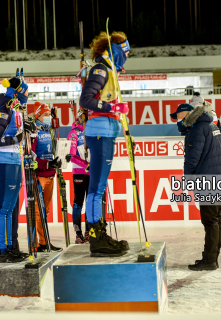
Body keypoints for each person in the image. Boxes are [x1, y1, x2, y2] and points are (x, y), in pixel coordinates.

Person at [79, 31, 130, 257]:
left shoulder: (110, 70)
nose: (128, 54)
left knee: (100, 187)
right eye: (125, 50)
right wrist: (113, 108)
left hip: (106, 133)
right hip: (99, 133)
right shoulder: (101, 69)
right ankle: (95, 237)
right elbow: (85, 99)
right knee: (96, 188)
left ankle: (99, 232)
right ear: (115, 49)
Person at [0, 76, 34, 263]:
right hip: (5, 161)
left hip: (16, 160)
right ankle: (1, 250)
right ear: (18, 93)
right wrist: (14, 140)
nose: (27, 96)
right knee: (3, 208)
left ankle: (9, 247)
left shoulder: (16, 111)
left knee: (10, 207)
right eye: (26, 92)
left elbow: (18, 135)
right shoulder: (3, 111)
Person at [182, 102, 221, 271]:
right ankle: (212, 256)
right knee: (216, 219)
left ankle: (210, 260)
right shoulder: (211, 125)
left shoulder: (197, 130)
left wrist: (187, 179)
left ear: (191, 116)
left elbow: (192, 158)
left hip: (208, 180)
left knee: (210, 221)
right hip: (219, 178)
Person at [30, 101, 62, 252]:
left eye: (49, 115)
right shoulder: (34, 132)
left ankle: (44, 242)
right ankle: (35, 244)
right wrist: (46, 165)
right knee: (37, 211)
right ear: (38, 116)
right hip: (39, 176)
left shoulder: (49, 131)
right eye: (45, 115)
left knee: (45, 210)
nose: (48, 117)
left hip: (50, 175)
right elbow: (32, 156)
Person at [66, 109, 90, 244]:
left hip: (92, 172)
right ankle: (78, 233)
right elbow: (71, 156)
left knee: (90, 202)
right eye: (85, 116)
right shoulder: (73, 133)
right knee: (78, 203)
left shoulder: (91, 131)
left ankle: (88, 231)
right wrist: (86, 164)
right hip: (80, 173)